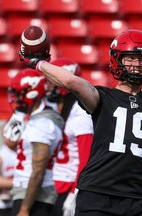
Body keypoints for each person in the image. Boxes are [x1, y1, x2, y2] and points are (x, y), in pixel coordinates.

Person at [20, 28, 142, 216]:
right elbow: (71, 81)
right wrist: (37, 63)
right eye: (131, 58)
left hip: (138, 198)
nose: (138, 64)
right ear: (116, 59)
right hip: (98, 194)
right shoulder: (103, 97)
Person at [8, 68, 65, 216]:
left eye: (19, 94)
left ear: (32, 92)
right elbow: (10, 140)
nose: (16, 99)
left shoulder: (41, 124)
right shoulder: (37, 118)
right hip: (28, 192)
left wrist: (25, 209)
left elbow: (38, 171)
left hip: (35, 196)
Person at [48, 58, 93, 216]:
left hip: (67, 185)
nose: (49, 85)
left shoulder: (80, 114)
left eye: (53, 80)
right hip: (52, 184)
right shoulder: (55, 108)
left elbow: (86, 159)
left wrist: (75, 192)